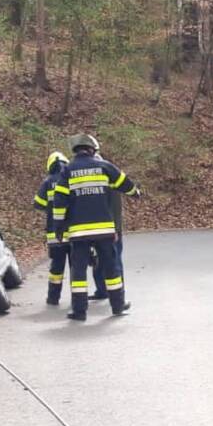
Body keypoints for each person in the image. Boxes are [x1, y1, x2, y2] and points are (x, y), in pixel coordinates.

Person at [52, 133, 139, 321]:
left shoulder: (67, 171)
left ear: (75, 151)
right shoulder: (104, 166)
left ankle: (79, 311)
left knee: (79, 272)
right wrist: (135, 192)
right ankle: (117, 306)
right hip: (104, 231)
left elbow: (59, 202)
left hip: (79, 232)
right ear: (92, 150)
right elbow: (125, 184)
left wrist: (59, 227)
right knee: (111, 268)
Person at [35, 150, 69, 306]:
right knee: (77, 267)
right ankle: (78, 298)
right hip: (74, 232)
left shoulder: (47, 182)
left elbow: (38, 203)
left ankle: (53, 298)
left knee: (56, 267)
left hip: (54, 233)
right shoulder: (72, 178)